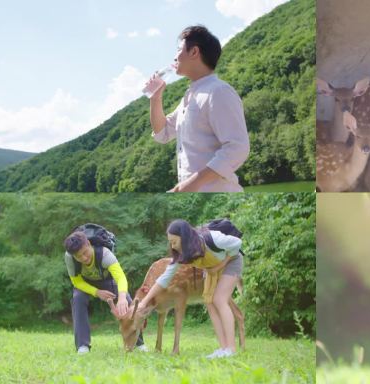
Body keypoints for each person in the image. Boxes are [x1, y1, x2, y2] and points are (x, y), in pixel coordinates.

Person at [147, 25, 250, 192]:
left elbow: (238, 148)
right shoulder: (189, 98)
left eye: (179, 50)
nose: (175, 57)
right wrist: (155, 97)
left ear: (194, 52)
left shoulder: (218, 92)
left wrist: (188, 186)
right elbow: (162, 133)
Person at [138, 219, 243, 359]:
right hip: (212, 267)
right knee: (209, 302)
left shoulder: (211, 239)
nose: (172, 246)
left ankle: (231, 349)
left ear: (184, 237)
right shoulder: (182, 254)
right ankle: (223, 349)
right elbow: (164, 279)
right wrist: (144, 302)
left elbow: (237, 243)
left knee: (219, 299)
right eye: (170, 242)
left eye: (174, 242)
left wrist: (219, 266)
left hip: (231, 261)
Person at [63, 231, 146, 354]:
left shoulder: (105, 254)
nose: (84, 258)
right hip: (85, 284)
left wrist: (122, 297)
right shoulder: (69, 257)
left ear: (89, 244)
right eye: (78, 257)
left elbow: (121, 278)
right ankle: (82, 346)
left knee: (128, 301)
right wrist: (97, 292)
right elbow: (77, 282)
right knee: (77, 299)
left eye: (85, 252)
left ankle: (139, 343)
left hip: (106, 281)